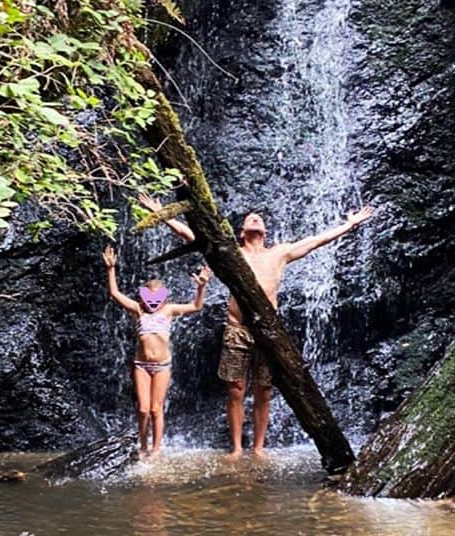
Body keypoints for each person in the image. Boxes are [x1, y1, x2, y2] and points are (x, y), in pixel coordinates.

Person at [138, 193, 374, 458]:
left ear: (265, 230)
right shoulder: (231, 254)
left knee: (263, 389)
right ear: (241, 232)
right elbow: (194, 237)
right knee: (235, 388)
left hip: (268, 332)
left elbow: (317, 240)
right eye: (250, 218)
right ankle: (237, 448)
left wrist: (349, 224)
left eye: (259, 218)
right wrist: (163, 214)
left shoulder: (280, 253)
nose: (254, 218)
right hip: (236, 328)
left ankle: (259, 447)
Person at [102, 245, 211, 459]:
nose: (153, 302)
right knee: (143, 409)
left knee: (155, 409)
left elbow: (196, 307)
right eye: (149, 298)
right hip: (141, 365)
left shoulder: (169, 310)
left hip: (162, 366)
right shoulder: (137, 310)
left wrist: (201, 287)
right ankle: (143, 447)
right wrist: (110, 269)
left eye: (157, 298)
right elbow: (114, 293)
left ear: (163, 298)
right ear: (142, 298)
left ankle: (156, 449)